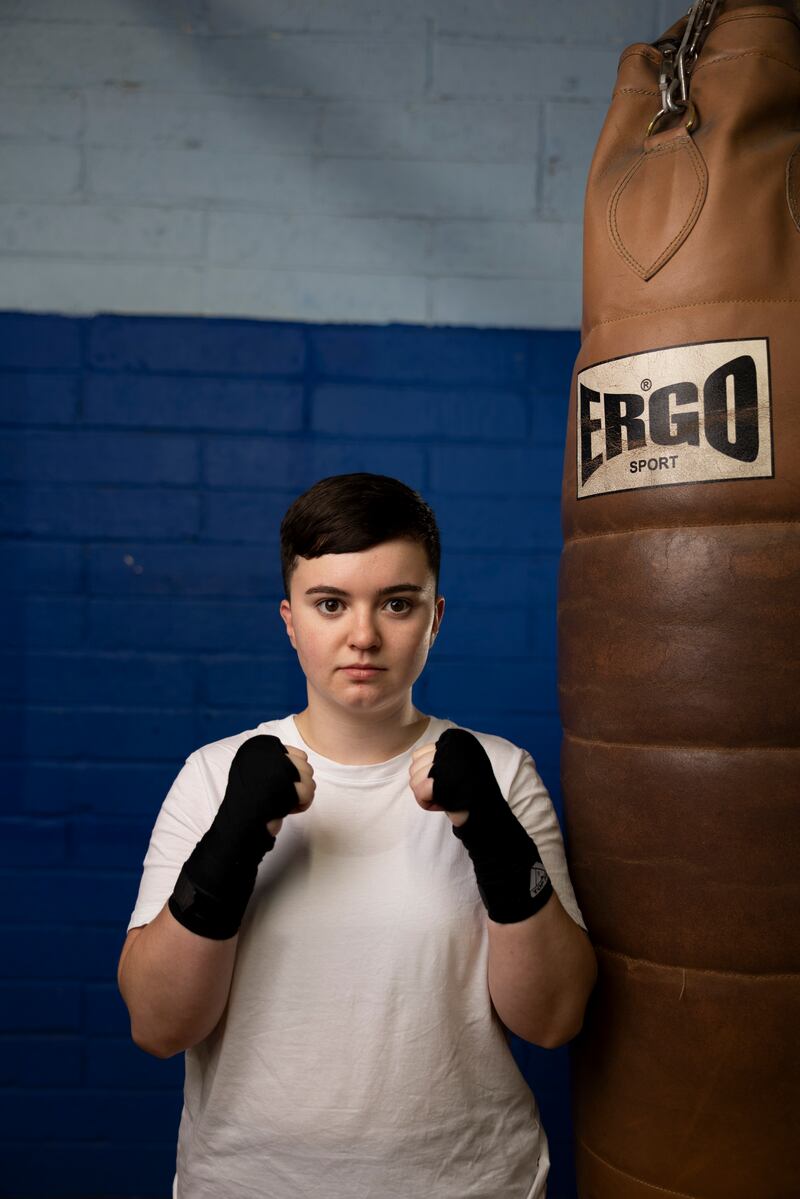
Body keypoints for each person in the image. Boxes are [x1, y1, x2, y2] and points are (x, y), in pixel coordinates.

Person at [117, 472, 597, 1199]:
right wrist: (234, 839)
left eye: (396, 604)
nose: (364, 636)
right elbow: (157, 1025)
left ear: (434, 618)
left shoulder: (501, 773)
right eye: (331, 604)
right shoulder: (213, 777)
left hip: (468, 1184)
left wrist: (492, 832)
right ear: (290, 620)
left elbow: (554, 1019)